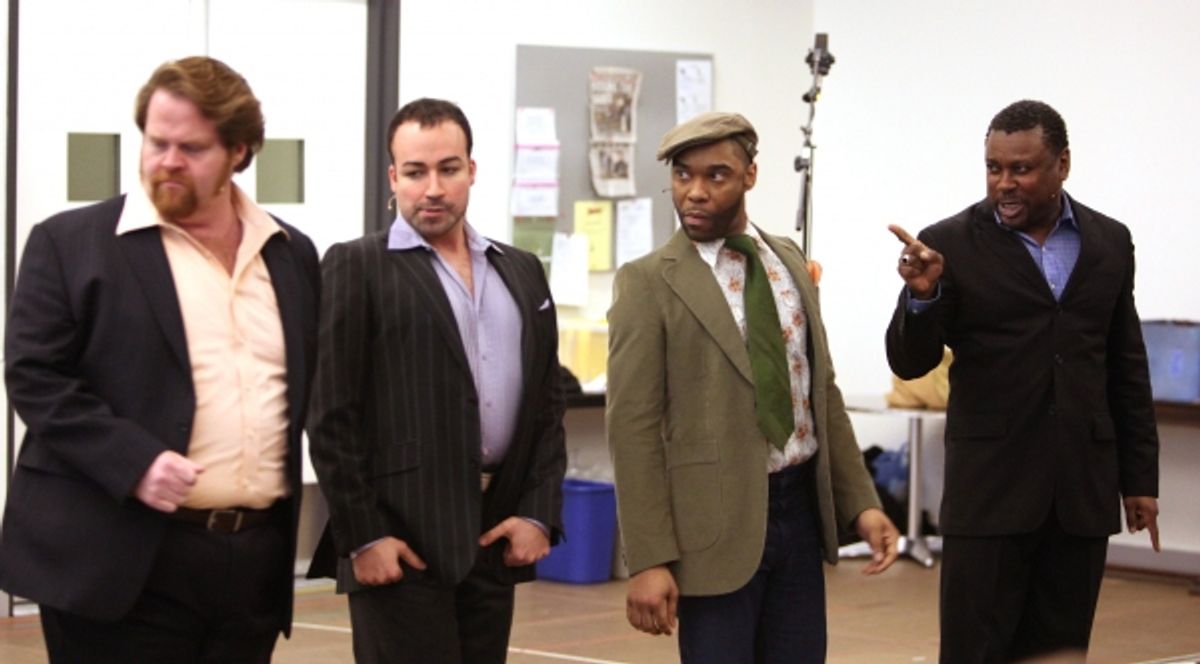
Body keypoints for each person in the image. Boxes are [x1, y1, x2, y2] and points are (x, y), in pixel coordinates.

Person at [0, 56, 320, 662]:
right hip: (119, 561)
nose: (167, 161)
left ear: (241, 151)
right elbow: (36, 379)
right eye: (156, 142)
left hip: (251, 561)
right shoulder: (71, 245)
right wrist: (134, 461)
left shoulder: (290, 253)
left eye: (191, 148)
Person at [606, 111, 899, 663]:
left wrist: (862, 503)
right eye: (682, 175)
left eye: (715, 175)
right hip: (711, 527)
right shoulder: (648, 282)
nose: (694, 192)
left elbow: (821, 393)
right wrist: (648, 558)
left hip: (798, 515)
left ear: (750, 176)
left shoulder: (787, 260)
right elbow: (632, 428)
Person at [886, 99, 1160, 663]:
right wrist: (921, 296)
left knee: (1059, 653)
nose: (1004, 183)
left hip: (1080, 494)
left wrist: (1139, 479)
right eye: (993, 168)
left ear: (1062, 163)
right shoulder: (948, 244)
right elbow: (910, 363)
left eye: (1021, 169)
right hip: (990, 494)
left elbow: (1124, 363)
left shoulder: (1110, 241)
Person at [307, 97, 566, 663]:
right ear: (393, 176)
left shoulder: (520, 269)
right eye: (417, 172)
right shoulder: (357, 265)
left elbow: (548, 403)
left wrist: (539, 511)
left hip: (493, 539)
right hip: (400, 545)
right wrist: (364, 537)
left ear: (471, 171)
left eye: (448, 169)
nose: (433, 188)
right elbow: (330, 418)